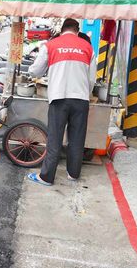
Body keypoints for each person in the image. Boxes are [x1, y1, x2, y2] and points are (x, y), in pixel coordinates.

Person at [26, 18, 97, 186]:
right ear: (77, 30)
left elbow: (35, 71)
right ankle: (73, 174)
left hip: (58, 98)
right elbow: (91, 79)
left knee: (55, 138)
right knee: (77, 138)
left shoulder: (51, 45)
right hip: (80, 99)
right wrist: (84, 94)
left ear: (62, 29)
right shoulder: (88, 47)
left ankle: (47, 177)